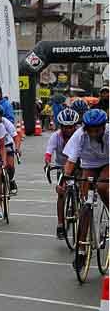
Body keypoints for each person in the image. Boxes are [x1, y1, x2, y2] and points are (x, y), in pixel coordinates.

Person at [61, 109, 108, 270]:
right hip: (88, 165)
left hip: (107, 163)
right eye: (91, 130)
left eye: (97, 130)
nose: (94, 133)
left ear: (103, 127)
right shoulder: (80, 135)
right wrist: (65, 178)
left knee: (102, 186)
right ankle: (81, 250)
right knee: (85, 207)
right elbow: (71, 160)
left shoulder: (109, 133)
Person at [44, 108, 79, 239]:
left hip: (78, 165)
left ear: (75, 126)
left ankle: (82, 205)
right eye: (65, 127)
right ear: (61, 126)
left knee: (83, 186)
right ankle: (60, 224)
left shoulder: (80, 135)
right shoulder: (55, 136)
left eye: (71, 127)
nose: (68, 130)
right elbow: (48, 152)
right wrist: (47, 163)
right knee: (61, 194)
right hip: (62, 166)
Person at [0, 106, 21, 194]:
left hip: (7, 144)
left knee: (10, 165)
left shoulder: (5, 122)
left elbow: (16, 136)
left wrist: (17, 147)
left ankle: (11, 181)